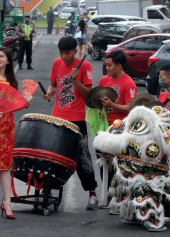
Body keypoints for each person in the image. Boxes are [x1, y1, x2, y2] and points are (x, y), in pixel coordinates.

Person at [42, 36, 99, 210]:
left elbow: (88, 94)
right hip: (58, 116)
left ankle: (92, 193)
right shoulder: (57, 63)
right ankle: (50, 190)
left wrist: (75, 81)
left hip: (77, 119)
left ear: (75, 51)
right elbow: (53, 85)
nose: (64, 56)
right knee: (54, 155)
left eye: (67, 53)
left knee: (82, 157)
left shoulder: (85, 66)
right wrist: (49, 94)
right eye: (61, 53)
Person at [0, 47, 33, 219]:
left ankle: (7, 203)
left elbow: (16, 104)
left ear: (8, 61)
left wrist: (27, 102)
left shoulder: (11, 81)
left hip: (7, 126)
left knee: (6, 166)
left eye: (2, 56)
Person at [98, 50, 137, 125]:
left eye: (109, 65)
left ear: (119, 66)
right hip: (103, 123)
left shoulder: (129, 83)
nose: (106, 68)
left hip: (118, 126)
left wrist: (112, 105)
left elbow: (130, 108)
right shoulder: (103, 80)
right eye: (106, 65)